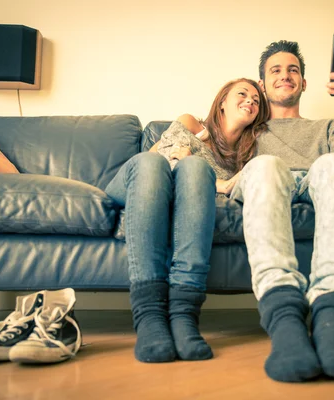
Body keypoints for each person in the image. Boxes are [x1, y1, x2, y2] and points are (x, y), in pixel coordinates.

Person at [227, 40, 334, 382]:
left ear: (304, 83)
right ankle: (284, 321)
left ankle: (332, 320)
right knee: (265, 166)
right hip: (268, 180)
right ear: (261, 85)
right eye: (275, 70)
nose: (285, 75)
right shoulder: (246, 129)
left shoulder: (327, 127)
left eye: (293, 69)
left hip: (318, 180)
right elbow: (198, 139)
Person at [105, 78, 269, 363]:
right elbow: (157, 158)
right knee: (153, 164)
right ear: (222, 103)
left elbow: (233, 184)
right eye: (242, 94)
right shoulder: (192, 123)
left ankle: (183, 315)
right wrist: (217, 180)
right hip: (140, 181)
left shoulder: (248, 151)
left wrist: (200, 167)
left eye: (256, 100)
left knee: (194, 167)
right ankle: (150, 315)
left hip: (186, 183)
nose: (251, 101)